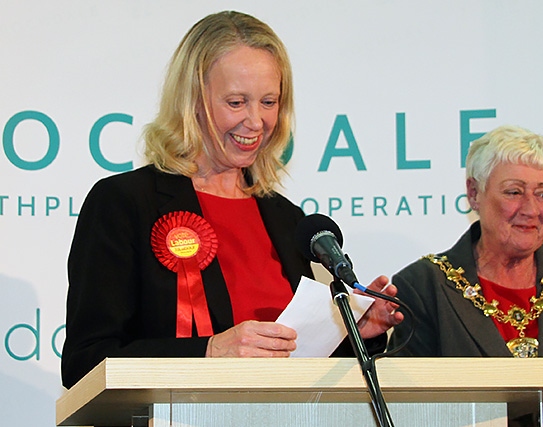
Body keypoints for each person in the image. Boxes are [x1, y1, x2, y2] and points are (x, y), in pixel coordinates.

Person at [61, 11, 402, 389]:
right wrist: (208, 352)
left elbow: (302, 364)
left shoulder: (287, 219)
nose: (256, 122)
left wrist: (356, 334)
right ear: (192, 101)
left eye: (269, 101)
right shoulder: (123, 204)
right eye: (237, 102)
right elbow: (84, 363)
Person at [388, 125, 543, 426]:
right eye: (514, 192)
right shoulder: (424, 285)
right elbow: (406, 404)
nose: (531, 209)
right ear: (474, 193)